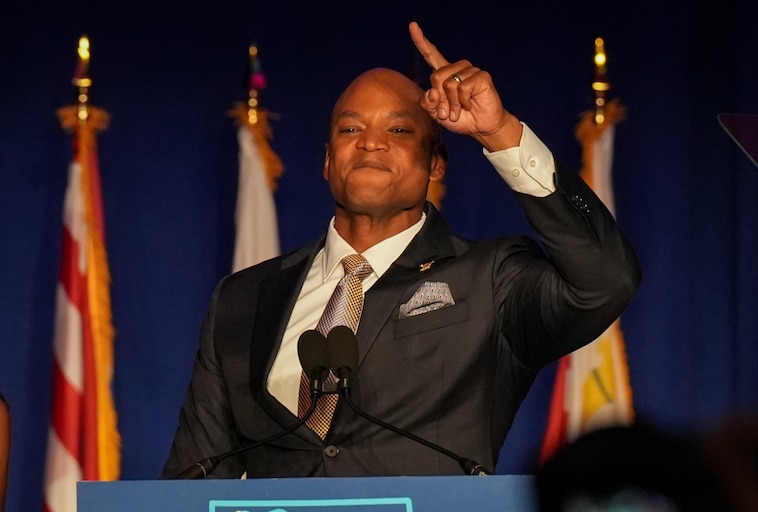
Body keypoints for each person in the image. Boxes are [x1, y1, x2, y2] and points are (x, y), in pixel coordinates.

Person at [161, 21, 641, 479]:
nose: (370, 143)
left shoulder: (490, 280)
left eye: (398, 131)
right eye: (350, 130)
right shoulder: (244, 299)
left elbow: (606, 281)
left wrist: (499, 133)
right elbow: (196, 475)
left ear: (436, 164)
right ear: (327, 162)